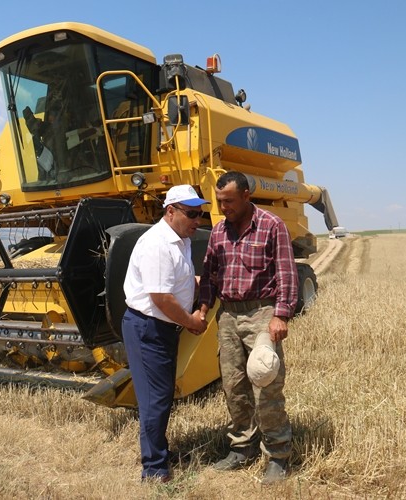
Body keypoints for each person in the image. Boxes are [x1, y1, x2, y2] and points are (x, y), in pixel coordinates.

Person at [198, 171, 298, 484]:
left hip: (262, 313)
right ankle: (243, 447)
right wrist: (203, 308)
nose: (223, 206)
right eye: (219, 201)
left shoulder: (272, 226)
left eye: (228, 201)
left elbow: (286, 274)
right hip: (228, 315)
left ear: (246, 196)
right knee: (233, 386)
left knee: (266, 384)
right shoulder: (217, 232)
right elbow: (210, 275)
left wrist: (281, 315)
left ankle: (279, 454)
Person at [122, 184, 210, 482]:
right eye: (192, 213)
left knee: (160, 395)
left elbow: (178, 281)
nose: (198, 219)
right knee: (155, 398)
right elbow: (161, 298)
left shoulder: (180, 238)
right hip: (149, 327)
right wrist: (191, 321)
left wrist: (203, 284)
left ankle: (158, 452)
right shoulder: (158, 244)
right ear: (170, 211)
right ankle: (154, 468)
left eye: (201, 213)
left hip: (161, 326)